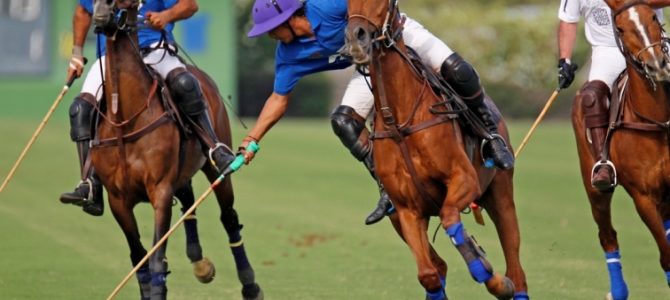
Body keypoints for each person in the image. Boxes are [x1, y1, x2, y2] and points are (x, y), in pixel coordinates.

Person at [237, 0, 515, 225]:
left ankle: (491, 137)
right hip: (373, 67)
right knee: (344, 122)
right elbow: (277, 98)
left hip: (400, 36)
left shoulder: (328, 6)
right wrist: (252, 140)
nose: (270, 35)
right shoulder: (288, 55)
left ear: (290, 17)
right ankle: (388, 188)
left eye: (272, 28)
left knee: (457, 70)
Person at [59, 0, 235, 216]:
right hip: (111, 58)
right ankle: (89, 184)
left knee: (186, 85)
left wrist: (167, 16)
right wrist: (77, 52)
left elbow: (189, 5)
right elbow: (82, 11)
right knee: (80, 109)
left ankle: (214, 148)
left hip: (154, 50)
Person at [557, 0, 664, 192]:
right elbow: (568, 20)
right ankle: (603, 162)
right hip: (608, 51)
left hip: (651, 44)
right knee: (591, 96)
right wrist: (564, 60)